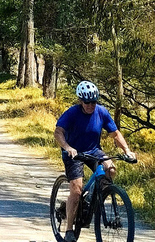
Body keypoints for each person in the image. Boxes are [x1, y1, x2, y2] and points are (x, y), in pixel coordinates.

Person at [54, 81, 135, 242]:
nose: (91, 105)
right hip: (74, 153)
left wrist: (127, 150)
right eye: (87, 102)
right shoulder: (72, 113)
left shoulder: (101, 112)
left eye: (94, 102)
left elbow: (115, 134)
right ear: (80, 100)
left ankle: (93, 197)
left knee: (111, 169)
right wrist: (67, 147)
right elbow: (58, 132)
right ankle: (69, 229)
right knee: (76, 190)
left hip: (93, 150)